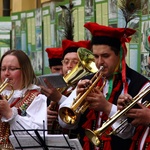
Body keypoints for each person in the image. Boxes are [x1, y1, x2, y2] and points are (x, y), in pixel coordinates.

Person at [58, 22, 150, 150]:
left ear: (121, 55)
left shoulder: (140, 85)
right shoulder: (87, 80)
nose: (100, 62)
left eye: (106, 56)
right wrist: (76, 99)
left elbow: (129, 132)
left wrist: (106, 107)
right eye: (95, 56)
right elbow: (65, 123)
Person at [41, 39, 91, 133]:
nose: (69, 66)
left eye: (75, 62)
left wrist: (59, 98)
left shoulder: (87, 88)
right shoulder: (57, 88)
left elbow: (83, 117)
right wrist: (45, 117)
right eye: (66, 61)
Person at [0, 50, 47, 149]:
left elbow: (38, 136)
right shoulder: (2, 94)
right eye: (3, 69)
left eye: (12, 69)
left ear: (25, 71)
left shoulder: (37, 98)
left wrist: (10, 114)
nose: (6, 73)